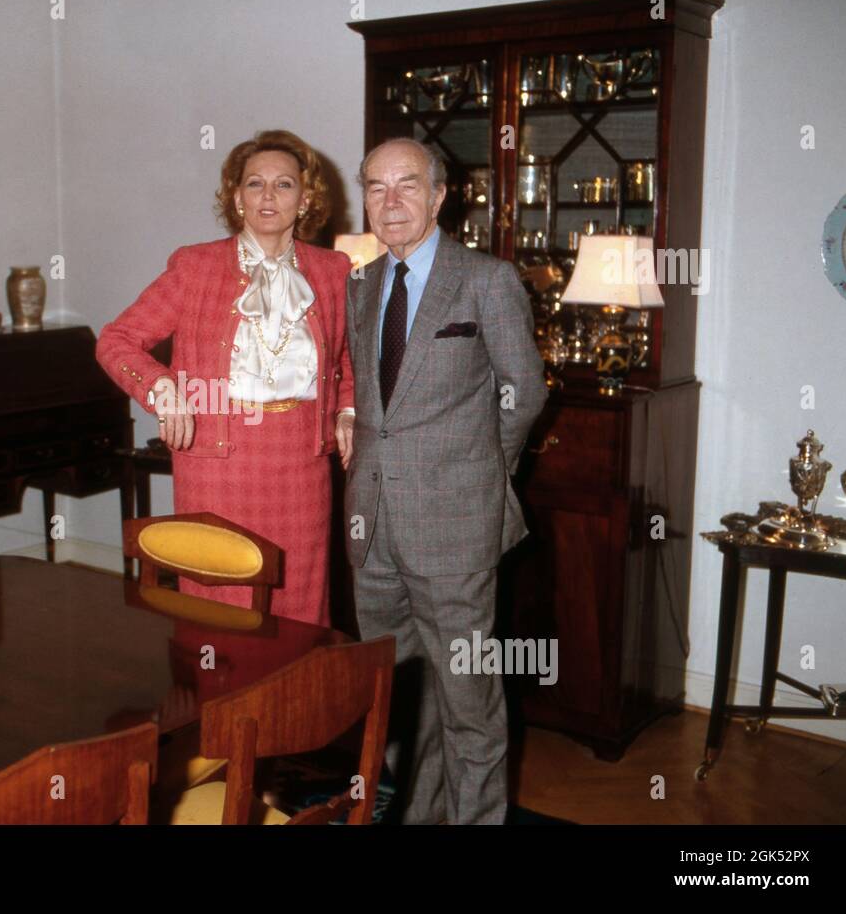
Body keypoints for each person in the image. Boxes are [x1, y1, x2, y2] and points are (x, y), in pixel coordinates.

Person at [344, 138, 547, 824]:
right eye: (375, 187)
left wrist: (478, 476)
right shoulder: (362, 285)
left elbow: (524, 390)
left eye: (407, 185)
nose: (390, 200)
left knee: (468, 700)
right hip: (371, 531)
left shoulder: (487, 279)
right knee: (398, 700)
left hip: (455, 526)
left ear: (439, 196)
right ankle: (418, 816)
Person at [97, 130, 354, 626]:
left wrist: (347, 409)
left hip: (301, 465)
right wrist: (162, 390)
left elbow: (352, 361)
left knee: (298, 608)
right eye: (254, 184)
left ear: (306, 198)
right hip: (217, 463)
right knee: (219, 608)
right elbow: (116, 340)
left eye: (283, 184)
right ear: (236, 198)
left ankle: (294, 705)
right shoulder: (196, 267)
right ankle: (218, 703)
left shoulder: (334, 271)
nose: (267, 196)